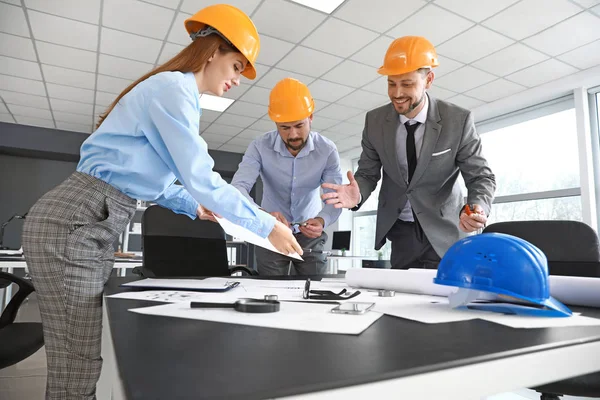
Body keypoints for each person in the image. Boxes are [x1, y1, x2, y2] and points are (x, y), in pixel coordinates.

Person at [21, 5, 301, 399]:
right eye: (237, 66)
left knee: (81, 355)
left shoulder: (174, 93)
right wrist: (265, 225)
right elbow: (200, 175)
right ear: (213, 51)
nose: (238, 79)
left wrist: (195, 206)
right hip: (77, 219)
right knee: (78, 361)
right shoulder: (174, 89)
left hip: (90, 218)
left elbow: (153, 180)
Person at [321, 36, 496, 270]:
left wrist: (477, 207)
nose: (397, 93)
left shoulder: (458, 120)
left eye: (407, 83)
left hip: (444, 230)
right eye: (391, 83)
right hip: (401, 232)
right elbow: (368, 174)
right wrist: (358, 195)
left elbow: (481, 177)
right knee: (402, 300)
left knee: (442, 300)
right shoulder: (375, 122)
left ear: (429, 80)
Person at [231, 78, 343, 275]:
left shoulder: (327, 150)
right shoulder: (259, 146)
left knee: (314, 289)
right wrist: (262, 215)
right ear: (275, 122)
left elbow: (334, 198)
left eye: (299, 125)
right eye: (284, 127)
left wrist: (322, 220)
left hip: (311, 233)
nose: (292, 135)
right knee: (270, 292)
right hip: (270, 230)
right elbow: (238, 187)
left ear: (311, 117)